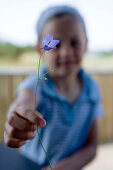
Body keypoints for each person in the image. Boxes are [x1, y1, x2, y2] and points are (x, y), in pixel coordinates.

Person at [4, 5, 104, 170]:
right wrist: (16, 116)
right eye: (55, 45)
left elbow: (91, 147)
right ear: (40, 50)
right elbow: (24, 102)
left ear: (85, 45)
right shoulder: (37, 85)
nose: (66, 52)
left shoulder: (92, 89)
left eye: (74, 42)